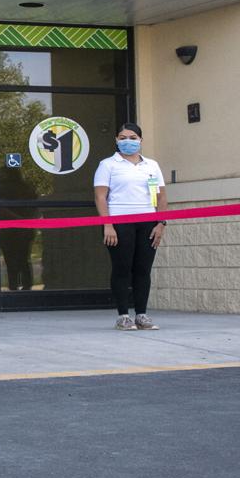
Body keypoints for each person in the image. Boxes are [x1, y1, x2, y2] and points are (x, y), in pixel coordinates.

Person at [92, 122, 168, 330]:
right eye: (123, 138)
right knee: (122, 268)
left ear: (141, 140)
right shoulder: (108, 165)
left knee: (143, 269)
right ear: (116, 140)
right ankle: (123, 316)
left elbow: (161, 197)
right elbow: (100, 197)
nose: (128, 141)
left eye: (133, 138)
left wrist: (161, 223)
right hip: (119, 222)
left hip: (148, 223)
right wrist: (107, 225)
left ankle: (141, 315)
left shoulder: (151, 165)